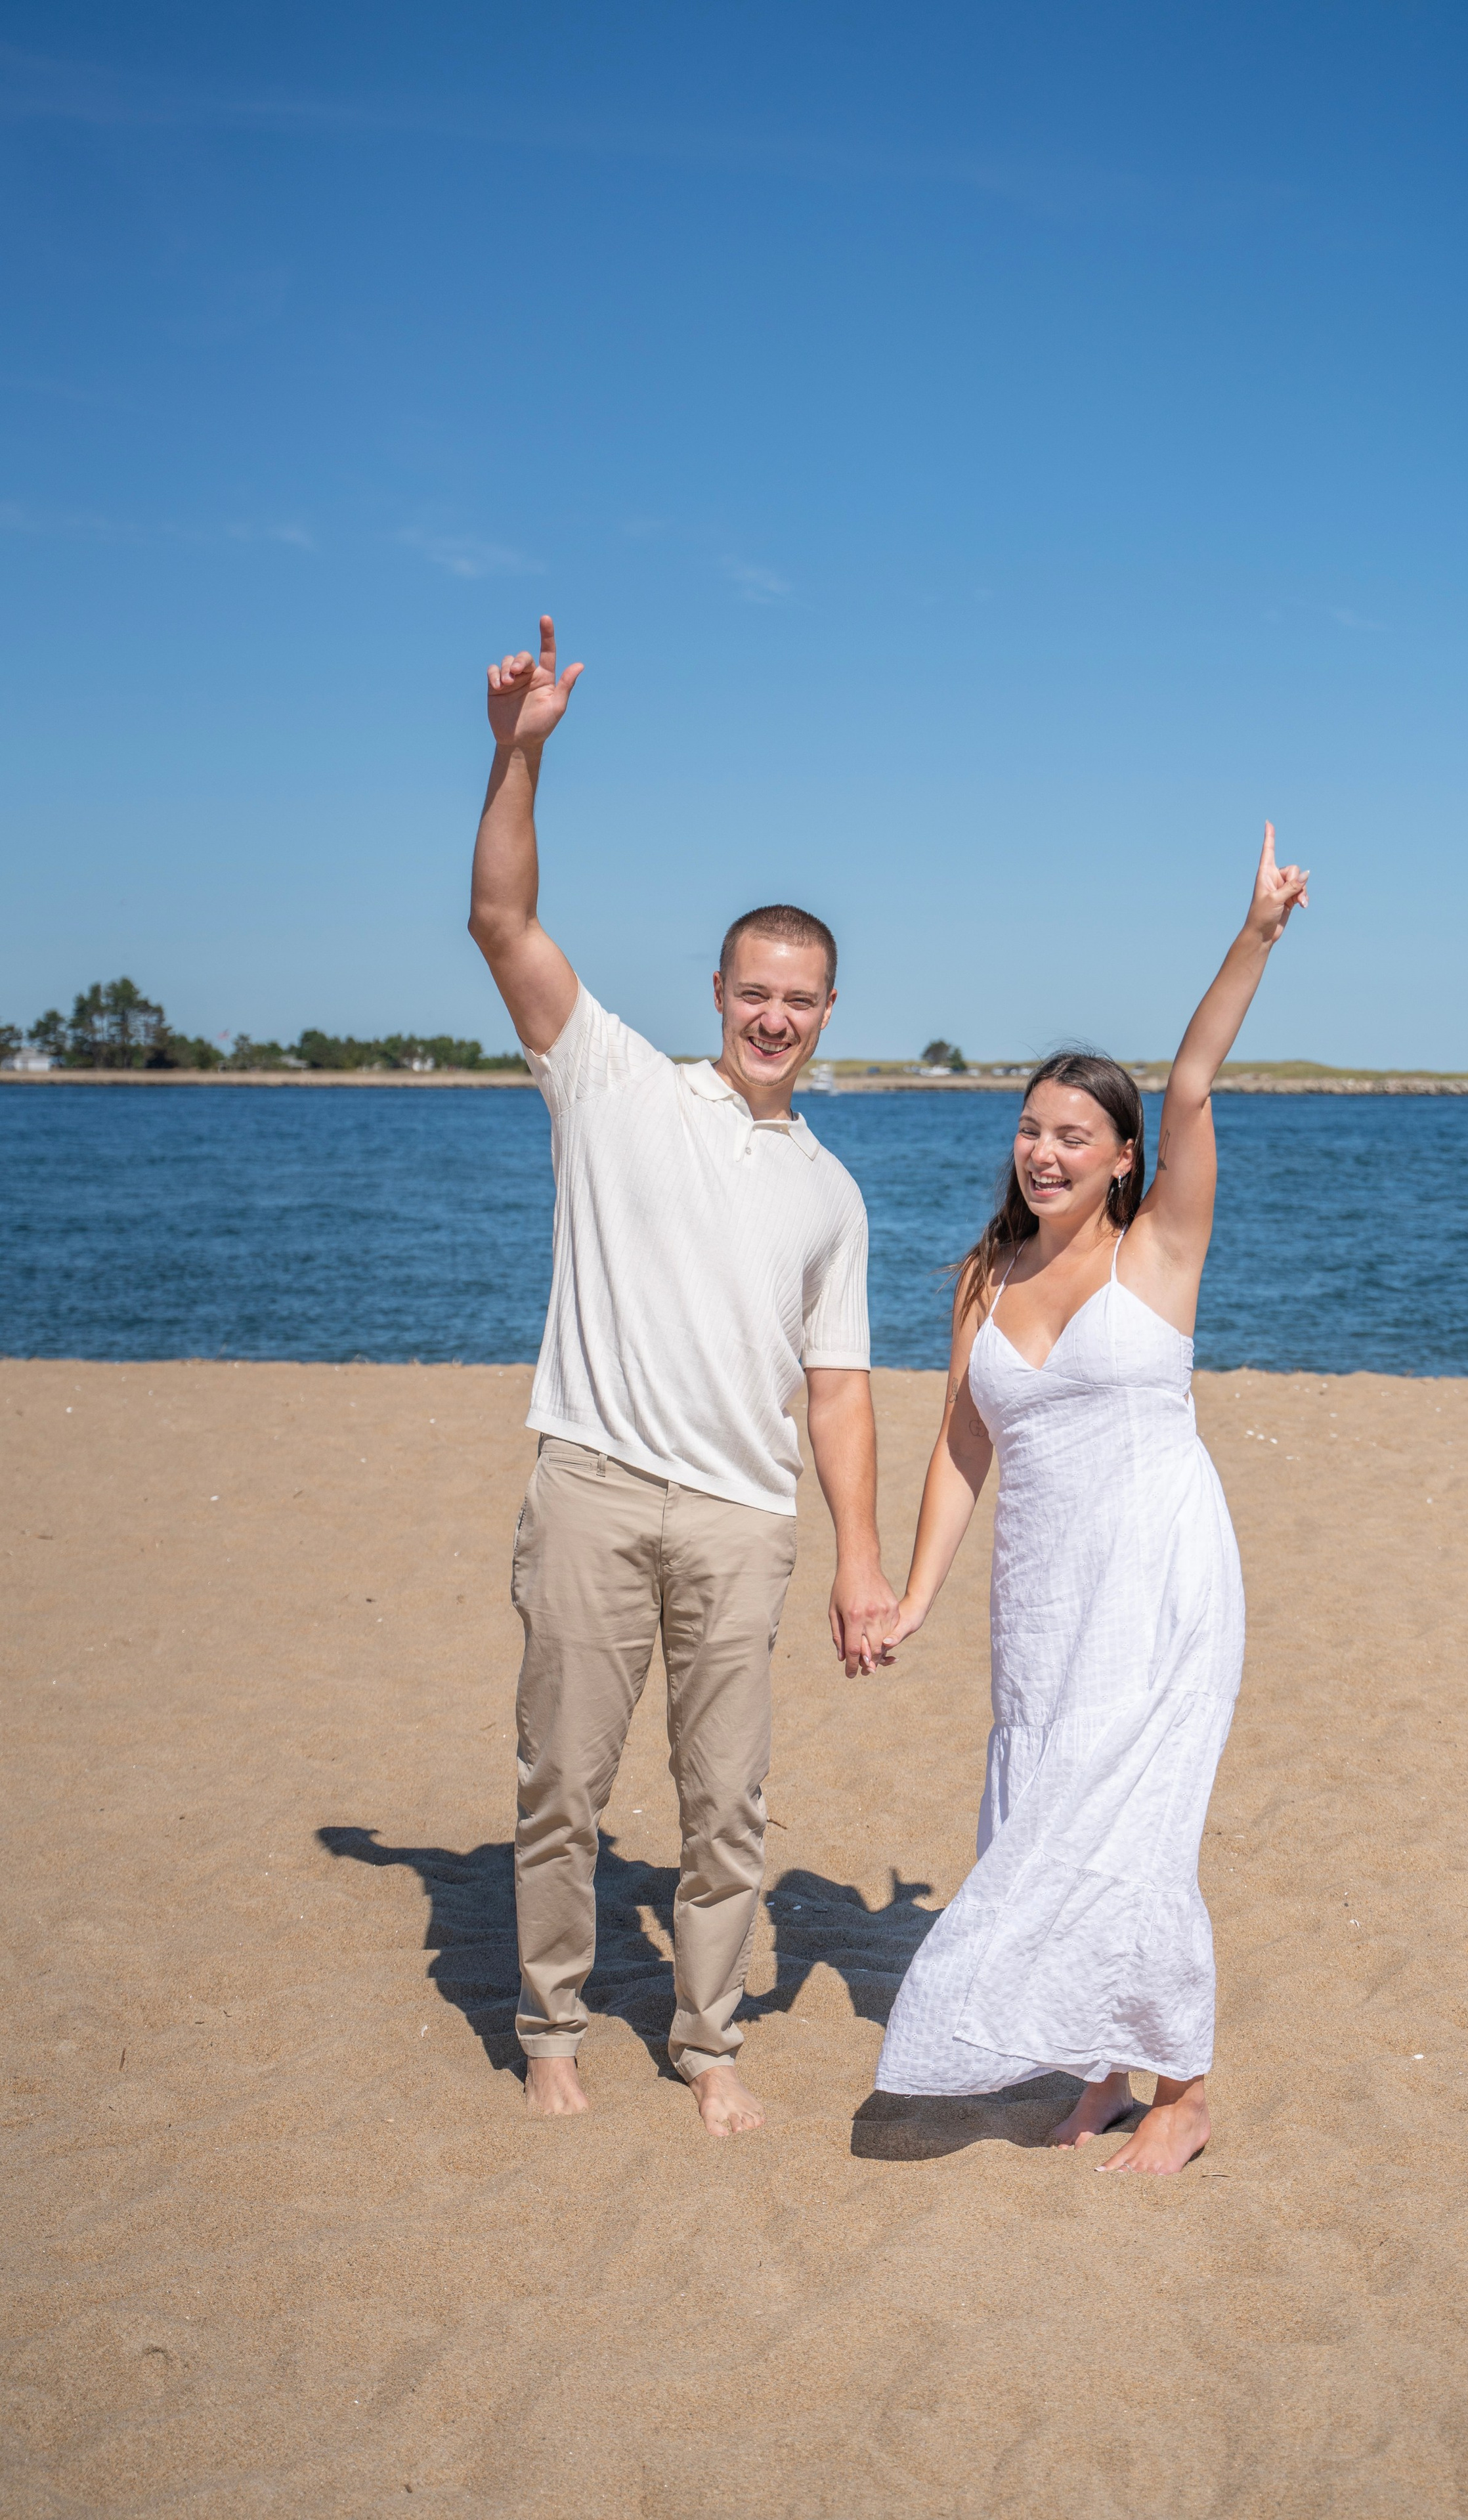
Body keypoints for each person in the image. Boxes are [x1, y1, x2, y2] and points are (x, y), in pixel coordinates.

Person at [468, 615, 899, 2137]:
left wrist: (859, 1558)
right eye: (752, 989)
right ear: (715, 989)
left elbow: (835, 1389)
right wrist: (521, 753)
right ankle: (551, 2022)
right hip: (587, 1485)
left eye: (801, 996)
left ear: (827, 1011)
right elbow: (504, 921)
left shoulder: (833, 1192)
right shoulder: (611, 1084)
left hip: (737, 1516)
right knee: (562, 1789)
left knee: (727, 1809)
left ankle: (708, 2040)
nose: (773, 1014)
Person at [874, 825, 1308, 2173]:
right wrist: (914, 1589)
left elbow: (1188, 1079)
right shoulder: (983, 1281)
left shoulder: (1162, 1247)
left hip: (1165, 1575)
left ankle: (1180, 2088)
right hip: (1043, 1592)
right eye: (1027, 1129)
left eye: (1072, 1135)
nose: (1041, 1152)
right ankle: (1098, 2072)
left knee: (1134, 1818)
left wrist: (1252, 934)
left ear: (1123, 1157)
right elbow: (961, 1443)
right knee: (1043, 1812)